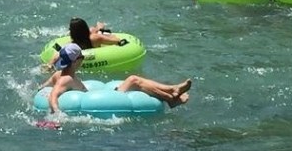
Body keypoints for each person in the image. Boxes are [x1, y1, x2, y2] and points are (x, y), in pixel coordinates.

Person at [40, 42, 191, 114]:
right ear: (76, 61)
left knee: (135, 81)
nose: (83, 59)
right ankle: (171, 93)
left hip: (101, 97)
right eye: (81, 57)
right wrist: (57, 115)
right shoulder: (66, 79)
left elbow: (43, 88)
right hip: (102, 102)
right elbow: (53, 94)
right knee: (133, 80)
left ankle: (172, 94)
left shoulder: (60, 74)